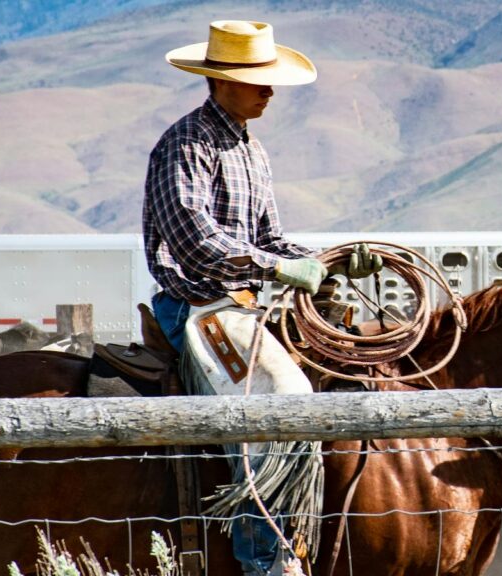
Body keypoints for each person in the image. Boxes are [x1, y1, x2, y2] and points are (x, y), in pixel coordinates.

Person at [142, 20, 380, 576]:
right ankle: (265, 561)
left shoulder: (252, 150)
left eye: (270, 80)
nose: (269, 91)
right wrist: (277, 266)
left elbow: (270, 239)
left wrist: (330, 260)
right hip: (200, 306)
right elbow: (195, 240)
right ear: (221, 81)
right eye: (257, 80)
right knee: (281, 396)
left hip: (244, 303)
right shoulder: (185, 144)